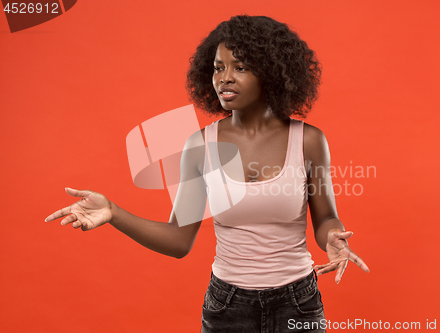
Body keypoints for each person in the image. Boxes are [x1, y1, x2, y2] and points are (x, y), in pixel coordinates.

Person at [45, 15, 370, 333]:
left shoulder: (309, 140)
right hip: (228, 306)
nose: (224, 78)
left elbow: (325, 217)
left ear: (271, 73)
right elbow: (178, 240)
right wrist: (113, 212)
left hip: (298, 302)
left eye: (240, 68)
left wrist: (332, 237)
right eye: (218, 68)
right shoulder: (201, 145)